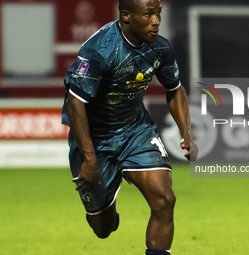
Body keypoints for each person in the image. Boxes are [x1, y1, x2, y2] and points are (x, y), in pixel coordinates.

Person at [61, 0, 198, 254]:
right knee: (102, 228)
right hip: (95, 139)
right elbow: (75, 104)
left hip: (136, 131)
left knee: (165, 200)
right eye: (148, 14)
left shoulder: (160, 47)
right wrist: (89, 159)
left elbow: (175, 88)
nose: (156, 21)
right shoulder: (99, 51)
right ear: (126, 16)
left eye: (158, 14)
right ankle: (108, 210)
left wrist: (186, 132)